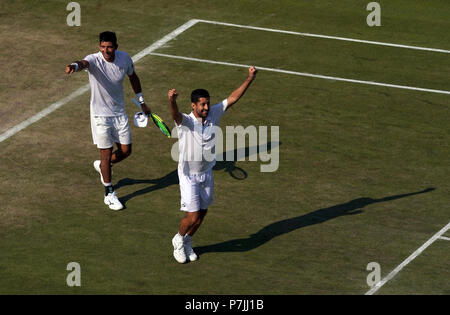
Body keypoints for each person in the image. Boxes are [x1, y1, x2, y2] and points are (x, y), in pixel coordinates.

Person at [168, 66, 258, 263]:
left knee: (202, 214)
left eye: (207, 104)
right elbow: (175, 115)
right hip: (188, 174)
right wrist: (171, 101)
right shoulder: (186, 121)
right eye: (202, 105)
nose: (206, 108)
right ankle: (178, 239)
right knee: (192, 216)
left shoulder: (213, 114)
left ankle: (188, 240)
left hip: (207, 172)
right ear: (193, 106)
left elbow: (232, 98)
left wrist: (249, 79)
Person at [65, 31, 151, 210]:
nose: (106, 50)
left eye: (109, 47)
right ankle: (109, 192)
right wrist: (74, 65)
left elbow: (133, 77)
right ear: (99, 47)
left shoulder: (124, 59)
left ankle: (103, 166)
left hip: (119, 113)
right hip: (100, 115)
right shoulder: (94, 59)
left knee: (126, 151)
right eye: (103, 47)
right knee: (105, 153)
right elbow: (83, 63)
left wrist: (141, 101)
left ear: (116, 47)